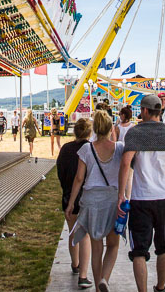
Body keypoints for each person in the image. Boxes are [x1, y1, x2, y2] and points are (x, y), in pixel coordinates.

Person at [117, 94, 165, 292]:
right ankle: (160, 287)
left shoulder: (134, 134)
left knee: (139, 251)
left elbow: (126, 163)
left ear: (144, 111)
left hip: (141, 198)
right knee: (164, 246)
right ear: (159, 112)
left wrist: (120, 195)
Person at [66, 111, 125, 292]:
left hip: (91, 201)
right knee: (113, 245)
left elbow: (78, 178)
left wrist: (71, 203)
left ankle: (98, 286)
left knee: (96, 247)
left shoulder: (86, 149)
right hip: (113, 200)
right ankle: (104, 279)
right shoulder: (120, 148)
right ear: (110, 128)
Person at [57, 118, 93, 288]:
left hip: (68, 195)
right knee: (84, 234)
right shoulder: (90, 149)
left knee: (73, 232)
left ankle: (75, 264)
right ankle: (83, 275)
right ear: (89, 132)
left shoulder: (65, 149)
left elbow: (60, 171)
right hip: (85, 197)